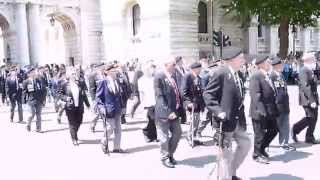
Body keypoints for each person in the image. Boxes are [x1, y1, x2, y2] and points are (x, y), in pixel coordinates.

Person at [203, 50, 250, 180]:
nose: (243, 60)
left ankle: (231, 172)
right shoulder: (221, 73)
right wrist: (218, 111)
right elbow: (208, 94)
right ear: (232, 59)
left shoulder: (239, 74)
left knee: (245, 144)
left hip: (237, 120)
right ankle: (226, 177)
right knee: (225, 154)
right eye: (240, 58)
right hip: (224, 121)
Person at [249, 56, 279, 164]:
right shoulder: (256, 76)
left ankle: (262, 148)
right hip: (259, 111)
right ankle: (256, 154)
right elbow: (256, 95)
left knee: (274, 130)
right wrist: (262, 111)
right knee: (259, 133)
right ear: (261, 64)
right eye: (267, 62)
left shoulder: (267, 75)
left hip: (269, 110)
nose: (270, 63)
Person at [154, 57, 182, 168]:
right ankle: (165, 157)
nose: (175, 66)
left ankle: (170, 153)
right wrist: (168, 111)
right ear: (166, 65)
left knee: (177, 133)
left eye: (175, 64)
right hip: (164, 113)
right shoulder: (159, 76)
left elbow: (176, 93)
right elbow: (159, 96)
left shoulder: (173, 76)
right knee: (164, 137)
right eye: (173, 64)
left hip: (174, 112)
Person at [96, 63, 125, 154]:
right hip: (108, 110)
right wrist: (101, 108)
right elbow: (98, 97)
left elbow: (119, 95)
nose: (114, 72)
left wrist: (122, 106)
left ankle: (117, 147)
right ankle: (104, 141)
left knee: (118, 129)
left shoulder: (117, 81)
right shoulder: (103, 82)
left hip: (117, 109)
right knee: (110, 128)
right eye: (112, 71)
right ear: (107, 72)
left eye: (115, 71)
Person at [292, 53, 320, 144]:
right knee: (310, 117)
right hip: (307, 98)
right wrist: (312, 100)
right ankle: (295, 129)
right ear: (307, 61)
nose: (315, 61)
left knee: (314, 117)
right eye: (313, 59)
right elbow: (305, 86)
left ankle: (309, 137)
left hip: (313, 97)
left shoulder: (310, 70)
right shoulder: (304, 70)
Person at [58, 67, 90, 146]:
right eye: (72, 74)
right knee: (72, 123)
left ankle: (74, 133)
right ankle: (74, 139)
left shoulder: (80, 83)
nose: (74, 75)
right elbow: (60, 94)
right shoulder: (64, 84)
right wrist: (66, 98)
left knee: (79, 121)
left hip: (79, 106)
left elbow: (84, 95)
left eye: (75, 73)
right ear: (68, 75)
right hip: (70, 107)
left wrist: (88, 105)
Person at [270, 57, 296, 151]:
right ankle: (264, 144)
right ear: (275, 66)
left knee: (285, 125)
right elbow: (271, 92)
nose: (282, 66)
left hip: (284, 105)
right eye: (280, 65)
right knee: (274, 127)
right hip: (277, 105)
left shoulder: (280, 75)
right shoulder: (272, 76)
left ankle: (284, 143)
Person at [181, 62, 205, 146]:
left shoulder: (199, 77)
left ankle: (193, 137)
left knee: (197, 122)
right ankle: (189, 137)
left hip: (198, 104)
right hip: (191, 104)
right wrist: (188, 102)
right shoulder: (187, 77)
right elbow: (184, 91)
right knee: (193, 122)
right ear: (195, 69)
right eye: (199, 68)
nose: (200, 70)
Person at [139, 62, 158, 142]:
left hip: (155, 101)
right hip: (147, 102)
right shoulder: (141, 80)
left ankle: (154, 136)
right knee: (148, 120)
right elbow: (141, 93)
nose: (151, 70)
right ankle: (146, 135)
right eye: (149, 69)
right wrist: (142, 103)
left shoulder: (154, 78)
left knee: (154, 120)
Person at [24, 68, 46, 133]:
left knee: (39, 115)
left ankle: (38, 128)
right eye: (32, 72)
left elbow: (43, 90)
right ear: (28, 74)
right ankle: (28, 124)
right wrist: (24, 101)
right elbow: (24, 92)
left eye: (34, 72)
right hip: (31, 100)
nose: (33, 73)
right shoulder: (26, 82)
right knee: (32, 114)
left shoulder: (39, 80)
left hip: (39, 100)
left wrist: (44, 99)